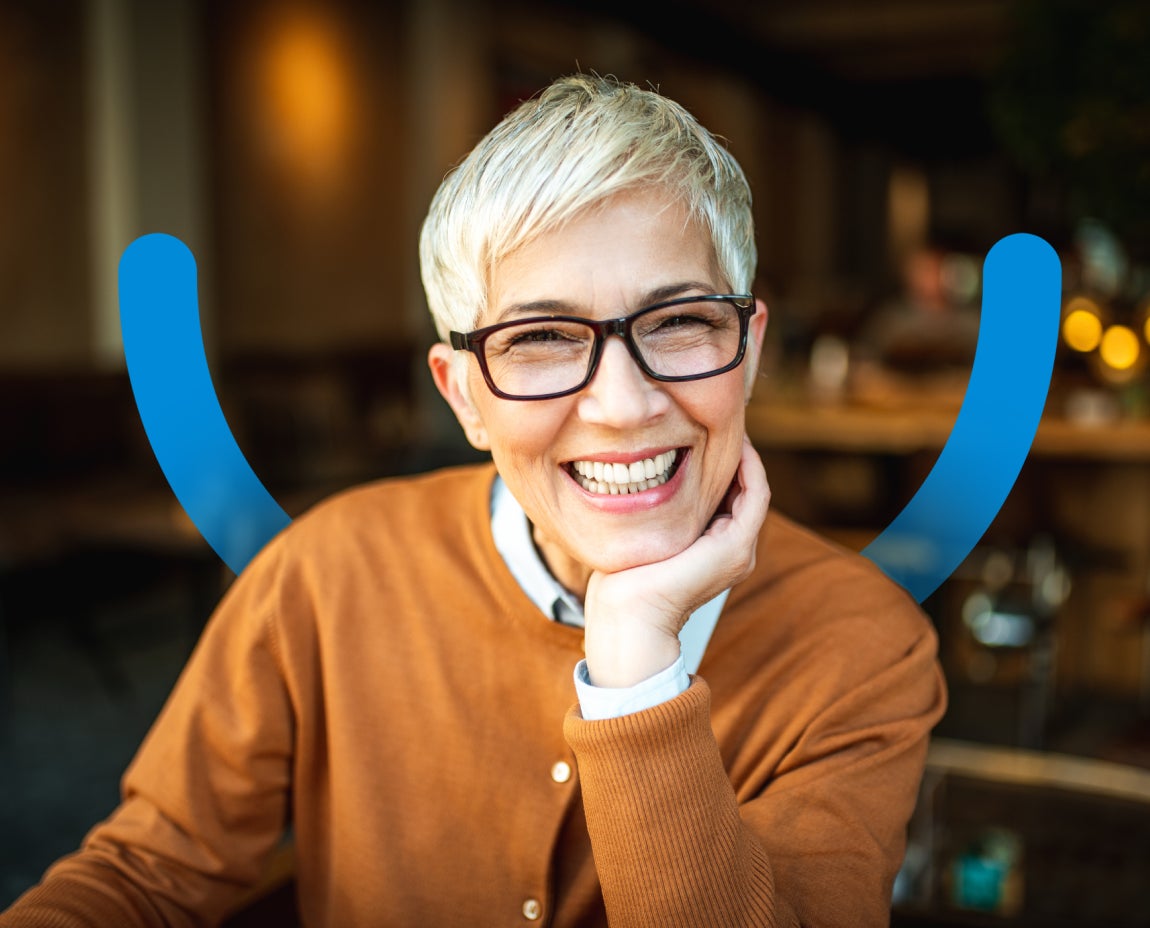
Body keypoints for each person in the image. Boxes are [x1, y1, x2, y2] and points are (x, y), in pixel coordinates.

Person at [1, 74, 945, 927]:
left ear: (751, 348)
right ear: (463, 397)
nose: (622, 405)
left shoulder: (864, 645)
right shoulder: (327, 576)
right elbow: (145, 879)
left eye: (682, 322)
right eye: (538, 340)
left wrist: (638, 671)